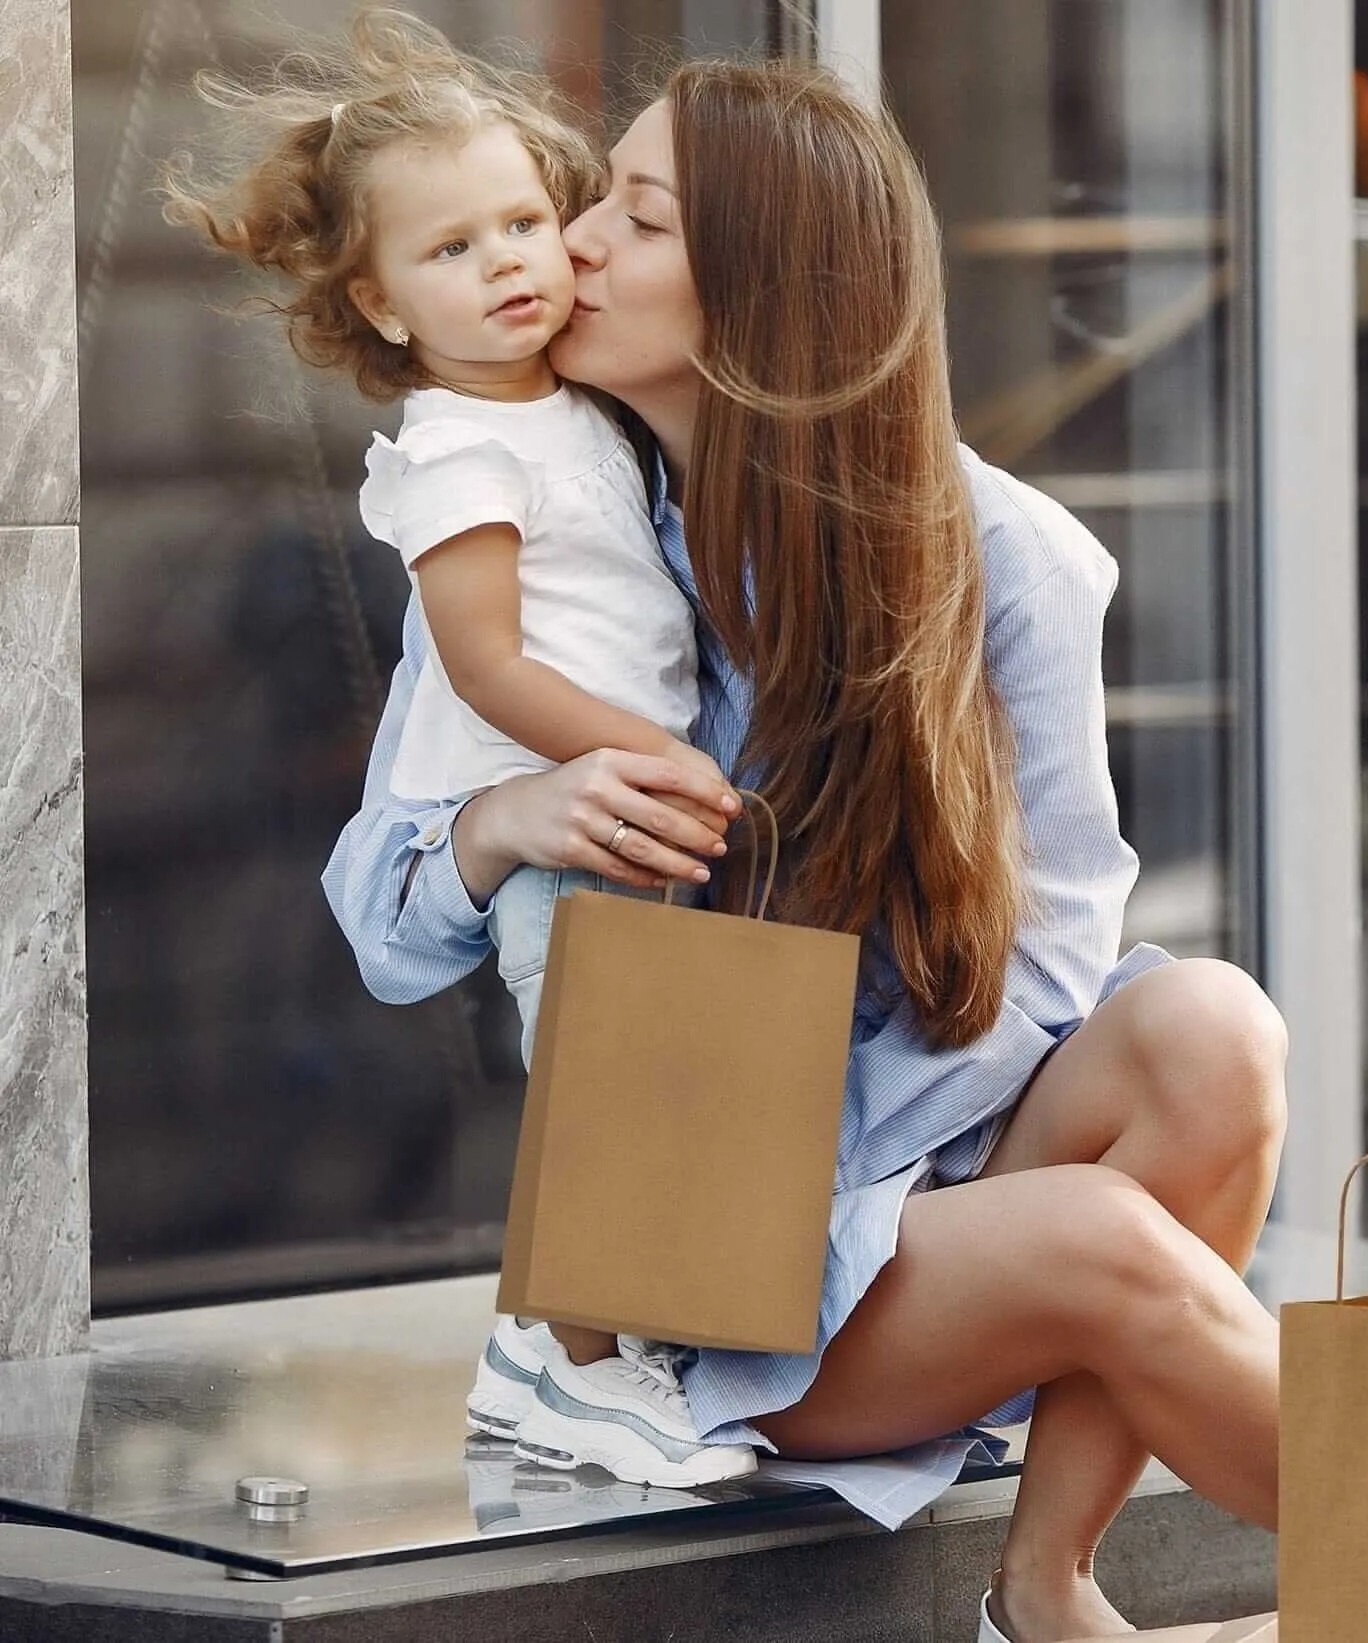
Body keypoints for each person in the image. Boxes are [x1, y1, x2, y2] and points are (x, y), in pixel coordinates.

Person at [324, 53, 1288, 1643]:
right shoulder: (540, 554)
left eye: (627, 220)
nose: (564, 250)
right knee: (1100, 1235)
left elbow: (1044, 971)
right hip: (677, 1256)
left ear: (761, 296)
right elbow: (380, 927)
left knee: (1212, 1028)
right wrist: (506, 822)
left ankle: (1043, 1590)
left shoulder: (1006, 563)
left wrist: (879, 1187)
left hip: (922, 1173)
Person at [164, 8, 756, 1491]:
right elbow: (489, 659)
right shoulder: (456, 449)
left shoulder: (580, 411)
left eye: (522, 221)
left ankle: (634, 1347)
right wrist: (667, 757)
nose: (505, 262)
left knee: (669, 1078)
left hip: (627, 796)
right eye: (450, 251)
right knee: (600, 1090)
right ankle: (573, 1362)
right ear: (375, 303)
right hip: (565, 812)